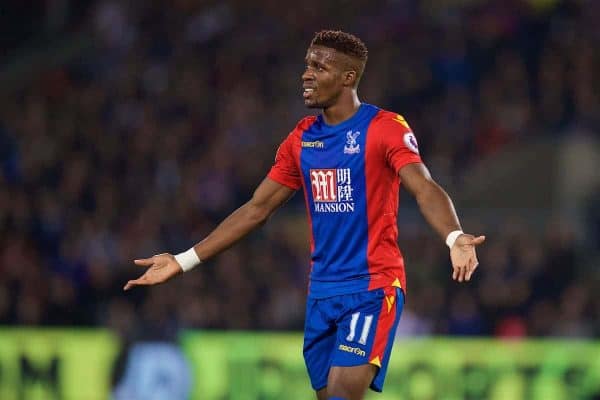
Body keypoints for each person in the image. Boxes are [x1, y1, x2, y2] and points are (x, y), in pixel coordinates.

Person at [124, 30, 485, 400]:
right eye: (307, 65)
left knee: (345, 394)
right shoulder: (301, 139)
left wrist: (454, 237)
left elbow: (424, 187)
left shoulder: (384, 128)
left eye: (319, 66)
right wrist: (182, 261)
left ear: (347, 78)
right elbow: (256, 209)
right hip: (321, 295)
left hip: (371, 288)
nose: (306, 74)